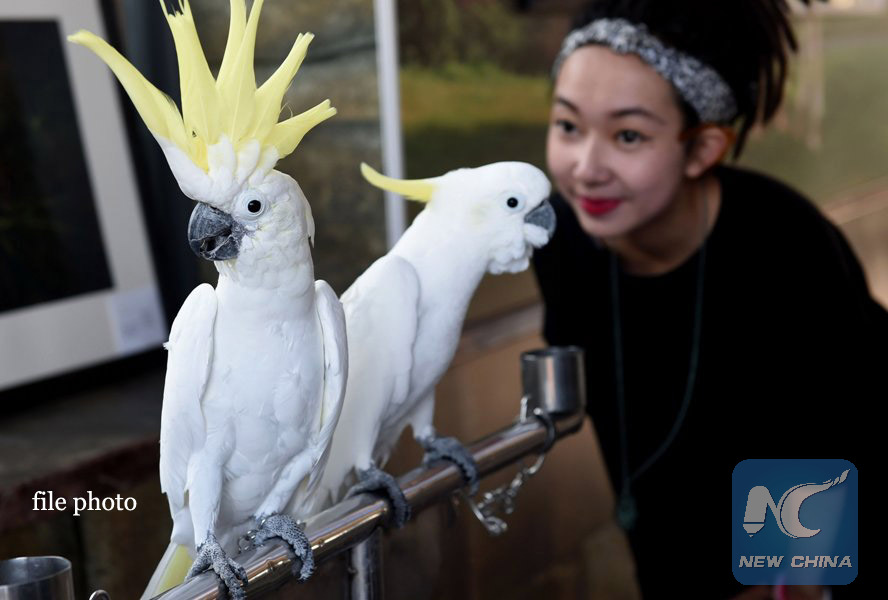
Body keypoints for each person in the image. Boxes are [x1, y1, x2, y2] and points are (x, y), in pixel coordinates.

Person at [532, 1, 886, 598]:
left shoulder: (782, 248)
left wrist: (783, 585)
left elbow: (826, 451)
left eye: (628, 135)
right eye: (568, 126)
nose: (586, 168)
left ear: (702, 150)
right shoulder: (565, 241)